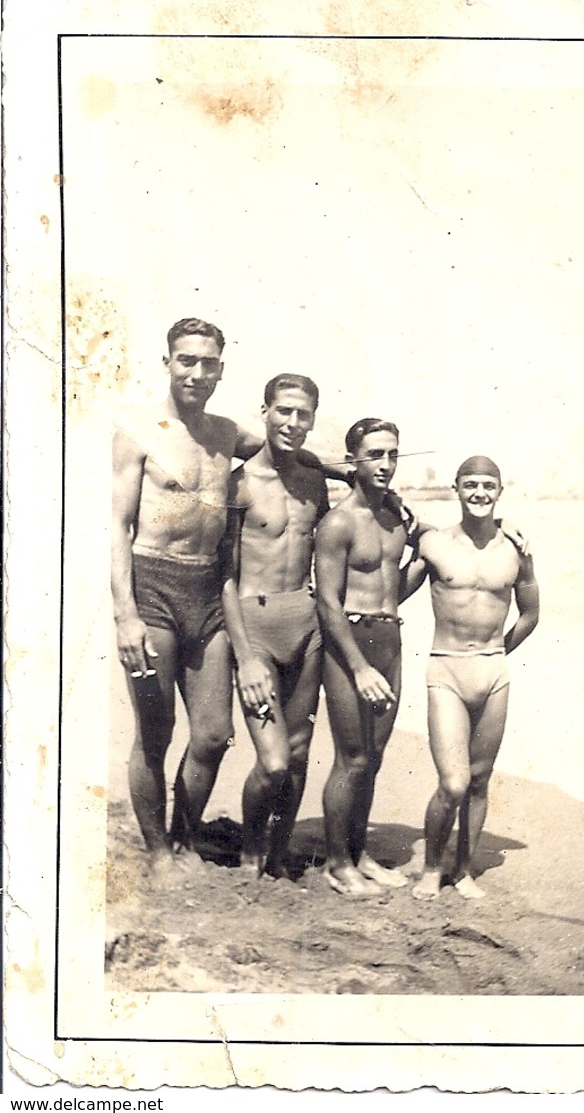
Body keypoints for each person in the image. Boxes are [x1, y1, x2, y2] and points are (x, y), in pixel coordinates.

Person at [111, 319, 343, 880]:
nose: (196, 371)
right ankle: (162, 853)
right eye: (186, 360)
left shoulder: (225, 433)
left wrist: (362, 478)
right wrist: (125, 615)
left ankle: (185, 838)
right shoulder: (138, 432)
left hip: (208, 592)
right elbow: (116, 526)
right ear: (167, 361)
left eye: (207, 362)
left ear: (220, 368)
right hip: (153, 585)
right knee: (156, 733)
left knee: (213, 735)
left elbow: (288, 453)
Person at [410, 455, 539, 901]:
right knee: (454, 783)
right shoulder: (435, 545)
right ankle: (431, 867)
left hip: (493, 672)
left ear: (500, 491)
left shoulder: (517, 550)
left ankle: (463, 869)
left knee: (480, 780)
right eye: (471, 485)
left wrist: (500, 650)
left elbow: (531, 613)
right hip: (445, 669)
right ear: (457, 489)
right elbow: (388, 592)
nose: (480, 492)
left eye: (488, 485)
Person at [220, 374, 328, 878]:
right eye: (283, 411)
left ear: (312, 419)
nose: (292, 422)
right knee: (274, 761)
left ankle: (281, 849)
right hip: (256, 628)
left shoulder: (314, 482)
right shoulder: (237, 484)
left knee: (301, 753)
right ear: (264, 411)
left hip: (305, 626)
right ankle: (249, 846)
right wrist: (244, 658)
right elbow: (225, 576)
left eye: (302, 413)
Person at [314, 418, 415, 897]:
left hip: (389, 639)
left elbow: (397, 585)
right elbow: (327, 602)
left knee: (373, 758)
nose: (386, 464)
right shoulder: (338, 523)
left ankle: (359, 852)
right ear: (353, 459)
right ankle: (337, 864)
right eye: (376, 454)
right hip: (348, 645)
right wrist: (358, 666)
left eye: (393, 454)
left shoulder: (397, 519)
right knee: (351, 757)